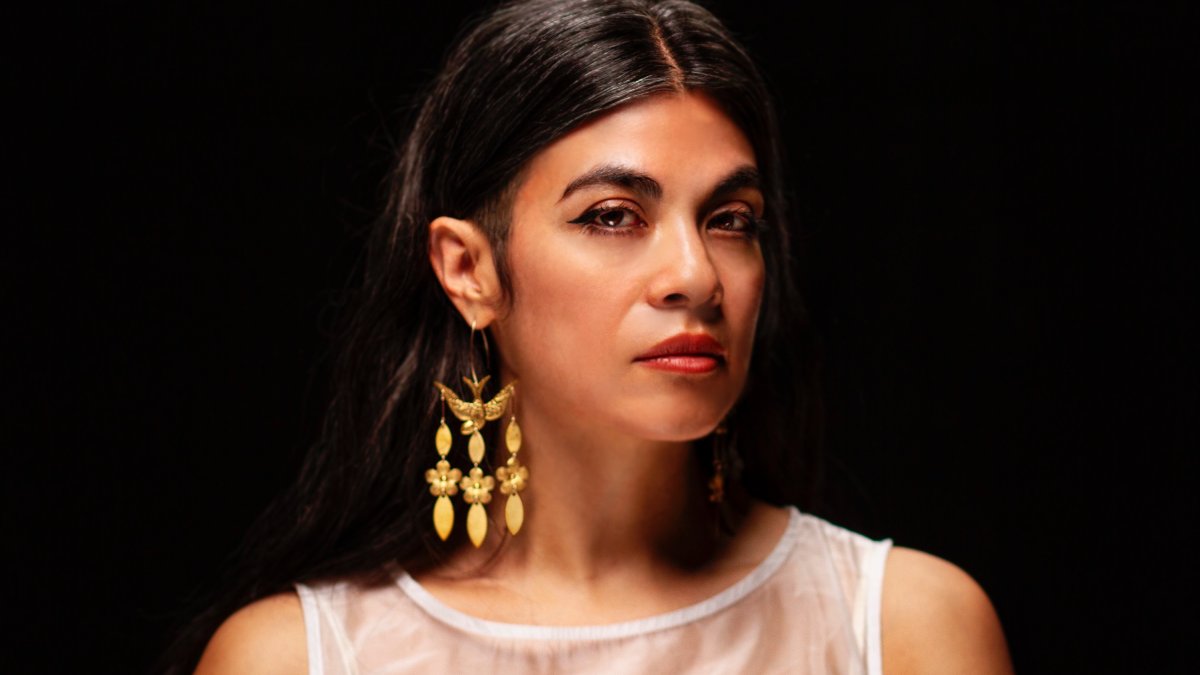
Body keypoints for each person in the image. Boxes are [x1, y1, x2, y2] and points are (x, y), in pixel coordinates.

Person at [179, 1, 1012, 672]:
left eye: (731, 219)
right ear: (468, 269)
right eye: (613, 216)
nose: (695, 274)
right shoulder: (299, 657)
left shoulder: (905, 630)